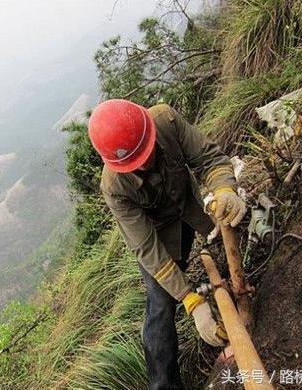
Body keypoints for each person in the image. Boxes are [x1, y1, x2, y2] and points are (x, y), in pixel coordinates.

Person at [87, 99, 246, 389]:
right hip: (160, 238)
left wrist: (224, 188)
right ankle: (164, 385)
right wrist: (190, 299)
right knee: (160, 305)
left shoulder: (165, 121)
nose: (146, 163)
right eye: (137, 163)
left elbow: (209, 159)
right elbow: (146, 247)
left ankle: (236, 304)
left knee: (236, 237)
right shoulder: (114, 187)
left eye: (147, 153)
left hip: (192, 210)